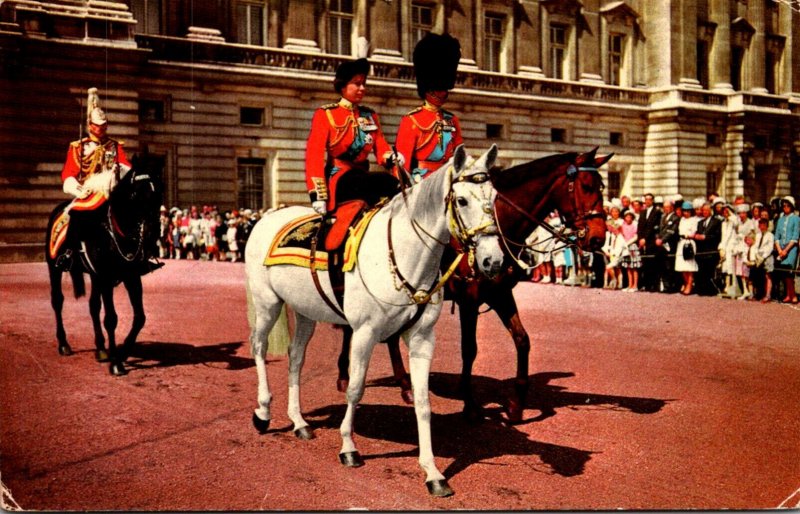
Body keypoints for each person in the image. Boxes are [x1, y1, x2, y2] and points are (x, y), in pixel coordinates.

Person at [305, 37, 400, 246]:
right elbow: (313, 155)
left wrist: (392, 158)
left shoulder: (370, 116)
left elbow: (381, 147)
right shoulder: (326, 114)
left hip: (361, 176)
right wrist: (317, 194)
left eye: (364, 84)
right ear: (343, 87)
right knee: (368, 183)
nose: (362, 88)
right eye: (356, 84)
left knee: (394, 185)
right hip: (339, 179)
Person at [395, 32, 463, 184]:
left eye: (445, 88)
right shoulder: (411, 120)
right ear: (429, 89)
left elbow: (460, 155)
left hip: (449, 179)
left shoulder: (452, 120)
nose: (444, 92)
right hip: (422, 181)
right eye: (440, 88)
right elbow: (402, 164)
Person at [774, 195, 799, 303]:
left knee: (789, 272)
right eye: (784, 206)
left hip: (791, 249)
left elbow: (795, 237)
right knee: (784, 273)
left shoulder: (796, 219)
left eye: (788, 205)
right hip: (781, 249)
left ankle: (793, 295)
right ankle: (789, 294)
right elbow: (776, 237)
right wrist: (780, 249)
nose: (785, 207)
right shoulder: (780, 219)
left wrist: (786, 250)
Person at [694, 201, 722, 296]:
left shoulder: (717, 222)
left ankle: (711, 290)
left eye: (707, 210)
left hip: (711, 250)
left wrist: (705, 237)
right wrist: (697, 236)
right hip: (701, 250)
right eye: (703, 210)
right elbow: (698, 233)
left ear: (710, 211)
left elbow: (717, 235)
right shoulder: (700, 223)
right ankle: (702, 290)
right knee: (701, 271)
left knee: (709, 271)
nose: (705, 212)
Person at [636, 193, 662, 291]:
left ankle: (653, 285)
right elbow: (640, 227)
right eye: (646, 199)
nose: (647, 201)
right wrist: (640, 239)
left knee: (652, 263)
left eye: (649, 199)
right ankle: (646, 284)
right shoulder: (642, 212)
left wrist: (645, 239)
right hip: (642, 242)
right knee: (644, 263)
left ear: (652, 200)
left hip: (651, 241)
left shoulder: (657, 212)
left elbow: (653, 228)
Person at [655, 198, 681, 293]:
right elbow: (658, 229)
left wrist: (662, 240)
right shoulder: (662, 216)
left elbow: (671, 231)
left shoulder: (676, 218)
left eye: (668, 207)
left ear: (672, 207)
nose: (666, 209)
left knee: (670, 265)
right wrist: (658, 238)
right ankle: (665, 286)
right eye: (665, 207)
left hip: (670, 244)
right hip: (660, 245)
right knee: (662, 266)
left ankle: (672, 286)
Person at [749, 217, 775, 302]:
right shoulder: (758, 235)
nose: (762, 227)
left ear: (767, 226)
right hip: (758, 257)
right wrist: (755, 257)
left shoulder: (770, 235)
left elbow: (770, 248)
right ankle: (756, 294)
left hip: (767, 256)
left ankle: (768, 295)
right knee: (755, 273)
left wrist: (763, 257)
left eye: (764, 225)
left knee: (767, 275)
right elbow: (755, 246)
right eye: (760, 225)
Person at [675, 201, 698, 295]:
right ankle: (686, 283)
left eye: (688, 211)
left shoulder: (694, 220)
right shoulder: (681, 220)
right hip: (681, 243)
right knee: (682, 266)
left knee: (689, 266)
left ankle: (689, 285)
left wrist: (688, 235)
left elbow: (694, 232)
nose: (686, 213)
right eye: (684, 211)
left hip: (689, 242)